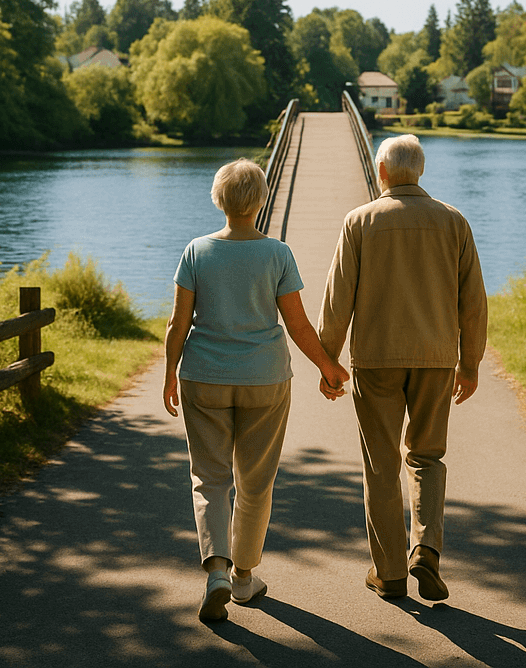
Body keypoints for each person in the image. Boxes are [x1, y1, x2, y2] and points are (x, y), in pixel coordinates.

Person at [163, 158, 351, 623]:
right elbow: (298, 323)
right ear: (261, 201)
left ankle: (216, 573)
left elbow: (177, 323)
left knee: (209, 478)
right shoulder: (278, 254)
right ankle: (244, 578)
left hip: (203, 377)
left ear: (218, 199)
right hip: (265, 380)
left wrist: (170, 372)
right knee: (255, 482)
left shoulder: (196, 251)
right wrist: (329, 366)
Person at [317, 133, 487, 602]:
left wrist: (328, 360)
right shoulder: (454, 221)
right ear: (421, 171)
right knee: (427, 457)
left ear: (382, 173)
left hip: (375, 360)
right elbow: (472, 303)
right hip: (436, 359)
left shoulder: (360, 221)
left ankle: (389, 571)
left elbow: (338, 299)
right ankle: (426, 550)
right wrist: (469, 363)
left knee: (381, 464)